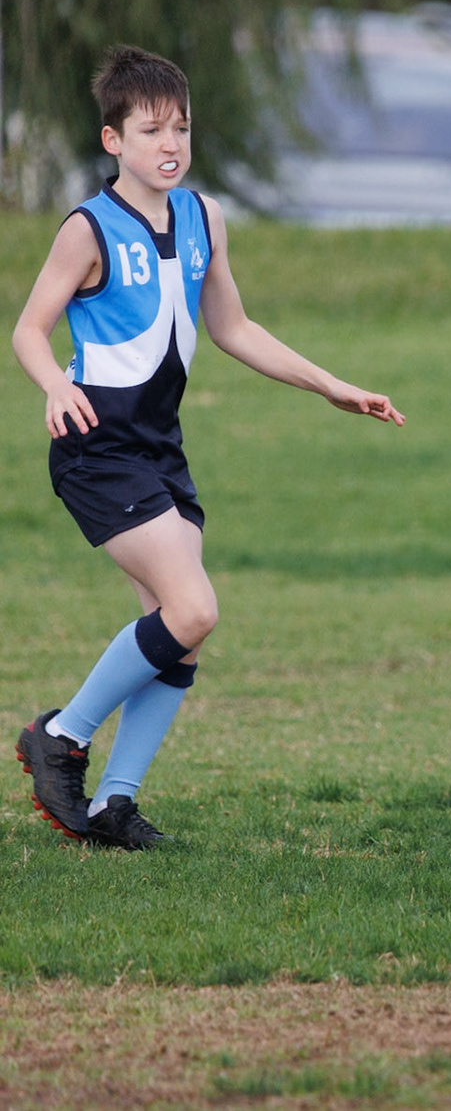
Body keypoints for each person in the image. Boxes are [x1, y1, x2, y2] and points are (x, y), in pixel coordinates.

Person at [12, 45, 404, 850]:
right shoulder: (88, 228)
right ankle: (61, 735)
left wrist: (330, 385)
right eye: (151, 129)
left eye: (182, 128)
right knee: (194, 610)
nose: (171, 144)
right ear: (112, 139)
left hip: (160, 447)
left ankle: (114, 804)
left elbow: (234, 328)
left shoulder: (203, 218)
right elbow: (27, 329)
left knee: (175, 628)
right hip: (96, 447)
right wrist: (54, 383)